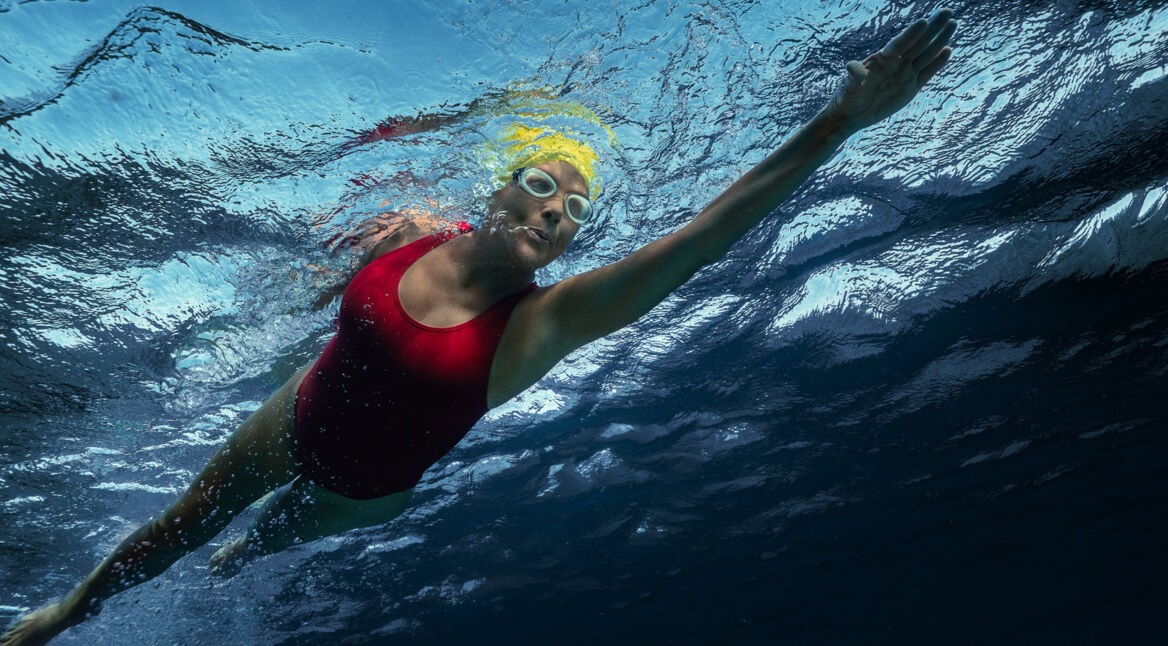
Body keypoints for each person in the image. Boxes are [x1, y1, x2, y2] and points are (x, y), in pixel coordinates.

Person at [2, 8, 956, 645]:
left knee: (247, 545)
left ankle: (239, 558)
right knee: (178, 522)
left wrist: (837, 124)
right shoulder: (417, 229)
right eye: (542, 185)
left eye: (575, 212)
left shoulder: (544, 324)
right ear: (500, 187)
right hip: (291, 415)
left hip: (361, 490)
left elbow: (704, 238)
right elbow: (338, 281)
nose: (555, 213)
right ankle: (68, 614)